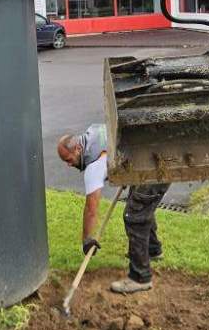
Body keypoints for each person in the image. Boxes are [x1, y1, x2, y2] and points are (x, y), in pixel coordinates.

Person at [57, 124, 170, 294]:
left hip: (156, 165)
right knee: (139, 205)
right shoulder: (94, 130)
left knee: (134, 215)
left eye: (68, 159)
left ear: (78, 148)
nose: (68, 165)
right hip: (150, 156)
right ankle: (153, 251)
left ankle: (140, 278)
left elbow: (91, 209)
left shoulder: (93, 168)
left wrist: (87, 239)